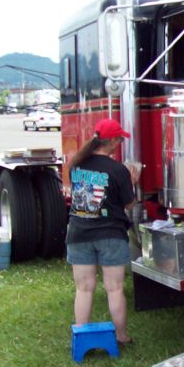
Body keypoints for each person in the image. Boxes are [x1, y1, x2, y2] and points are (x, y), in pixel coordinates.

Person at [66, 118, 141, 346]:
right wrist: (133, 181)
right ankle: (121, 336)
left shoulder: (77, 164)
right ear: (112, 142)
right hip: (110, 234)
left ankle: (82, 336)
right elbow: (129, 204)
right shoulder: (118, 169)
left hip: (79, 232)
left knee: (84, 288)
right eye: (119, 139)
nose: (120, 143)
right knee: (114, 288)